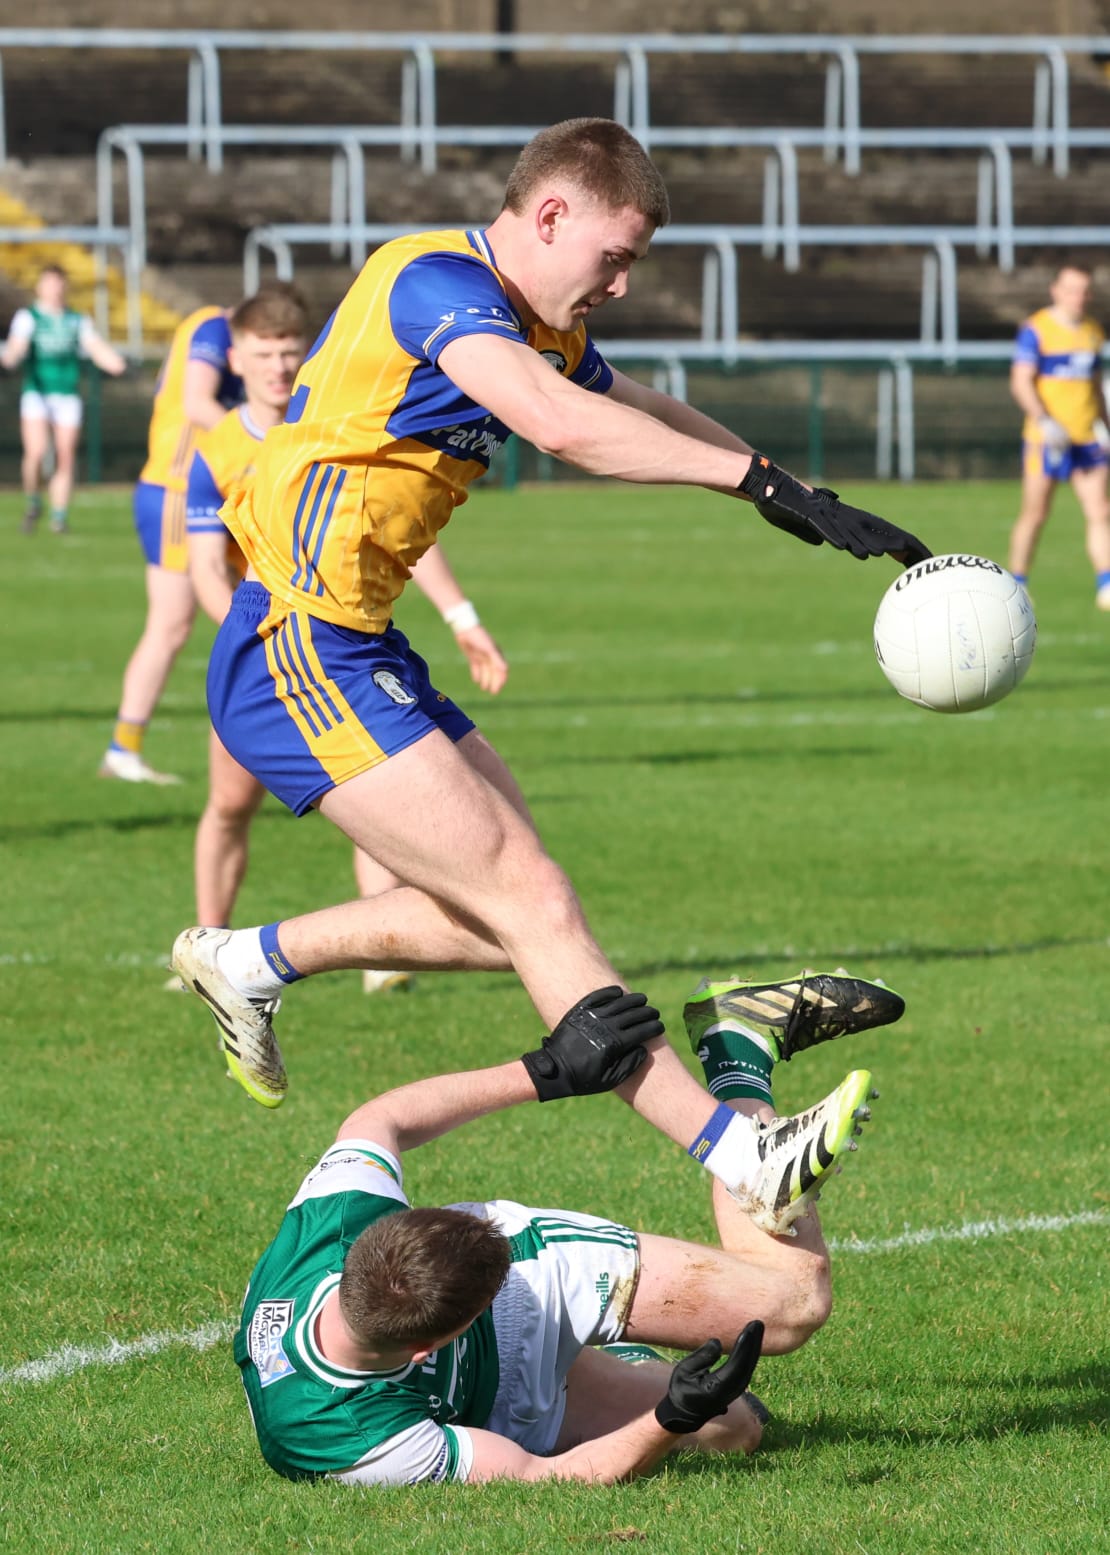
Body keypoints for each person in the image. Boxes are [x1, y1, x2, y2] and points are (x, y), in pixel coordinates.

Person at [171, 117, 924, 1206]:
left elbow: (641, 405)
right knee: (534, 900)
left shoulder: (540, 328)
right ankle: (738, 1153)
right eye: (613, 257)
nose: (620, 283)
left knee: (506, 922)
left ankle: (248, 960)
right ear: (551, 214)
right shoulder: (433, 283)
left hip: (360, 642)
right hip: (294, 641)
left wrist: (784, 483)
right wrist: (748, 487)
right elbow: (553, 423)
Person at [235, 986, 879, 1486]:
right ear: (428, 1349)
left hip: (541, 1275)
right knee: (734, 1429)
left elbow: (380, 1119)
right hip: (500, 1405)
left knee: (791, 1311)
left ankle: (737, 1044)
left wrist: (548, 1070)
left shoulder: (330, 1232)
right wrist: (667, 1418)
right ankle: (737, 1053)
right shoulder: (350, 1441)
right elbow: (536, 1478)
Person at [183, 286, 509, 984]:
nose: (277, 367)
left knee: (387, 792)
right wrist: (259, 638)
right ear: (238, 359)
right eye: (264, 355)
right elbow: (206, 566)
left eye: (289, 353)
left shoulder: (341, 421)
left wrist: (462, 617)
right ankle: (208, 945)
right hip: (264, 645)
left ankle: (380, 949)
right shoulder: (217, 448)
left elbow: (406, 527)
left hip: (340, 638)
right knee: (229, 806)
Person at [98, 300, 245, 786]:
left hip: (209, 485)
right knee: (172, 623)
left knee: (252, 607)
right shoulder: (214, 327)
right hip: (179, 490)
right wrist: (262, 439)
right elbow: (197, 401)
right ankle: (124, 747)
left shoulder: (214, 326)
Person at [1008, 261, 1110, 607]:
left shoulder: (1094, 333)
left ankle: (1106, 583)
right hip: (1046, 439)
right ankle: (1017, 583)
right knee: (1035, 513)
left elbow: (1095, 389)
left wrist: (1105, 427)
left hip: (1087, 439)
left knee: (1101, 510)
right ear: (1056, 290)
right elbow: (1021, 381)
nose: (1078, 297)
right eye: (1071, 289)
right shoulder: (1036, 330)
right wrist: (1044, 420)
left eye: (1084, 290)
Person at [0, 263, 126, 533]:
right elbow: (16, 347)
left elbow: (96, 347)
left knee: (65, 455)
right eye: (49, 283)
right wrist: (9, 359)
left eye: (59, 283)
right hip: (37, 393)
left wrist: (117, 364)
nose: (55, 289)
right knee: (35, 453)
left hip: (67, 395)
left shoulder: (76, 319)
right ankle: (34, 500)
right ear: (40, 287)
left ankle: (59, 517)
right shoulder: (29, 317)